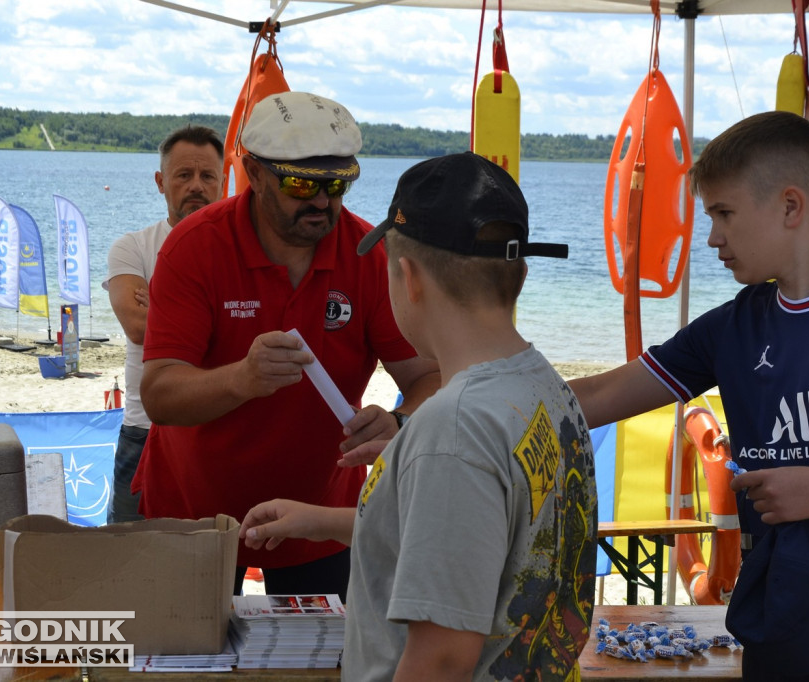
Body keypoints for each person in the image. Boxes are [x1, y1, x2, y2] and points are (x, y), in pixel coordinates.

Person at [568, 111, 809, 682]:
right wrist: (441, 411)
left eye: (724, 214)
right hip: (782, 618)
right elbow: (599, 394)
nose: (713, 237)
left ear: (791, 206)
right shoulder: (732, 327)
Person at [239, 152, 598, 681]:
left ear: (408, 279)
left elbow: (442, 658)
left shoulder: (452, 430)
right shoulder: (546, 389)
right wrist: (318, 521)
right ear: (518, 276)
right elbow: (472, 541)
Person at [135, 92, 440, 599]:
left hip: (321, 516)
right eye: (302, 184)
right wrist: (242, 378)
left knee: (325, 670)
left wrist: (400, 420)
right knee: (187, 671)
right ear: (253, 174)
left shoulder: (367, 254)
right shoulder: (194, 247)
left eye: (339, 184)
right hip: (194, 513)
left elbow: (428, 377)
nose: (323, 202)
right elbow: (160, 395)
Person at [101, 124, 224, 524]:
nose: (196, 186)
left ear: (225, 182)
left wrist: (167, 310)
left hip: (219, 429)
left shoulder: (238, 251)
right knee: (127, 560)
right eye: (183, 175)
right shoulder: (133, 247)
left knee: (220, 559)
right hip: (144, 430)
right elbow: (137, 326)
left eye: (207, 176)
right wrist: (222, 316)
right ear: (160, 182)